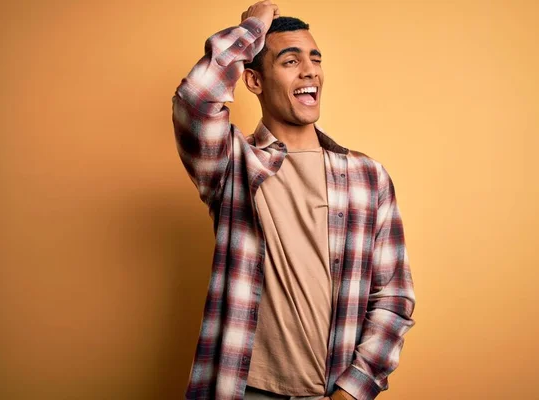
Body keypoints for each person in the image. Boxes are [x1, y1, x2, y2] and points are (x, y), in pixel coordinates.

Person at [171, 1, 416, 399]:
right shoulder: (232, 164)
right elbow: (195, 100)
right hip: (244, 389)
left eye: (314, 59)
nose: (309, 71)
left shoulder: (367, 177)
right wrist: (252, 30)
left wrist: (352, 390)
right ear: (253, 80)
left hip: (331, 392)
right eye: (289, 60)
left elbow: (392, 297)